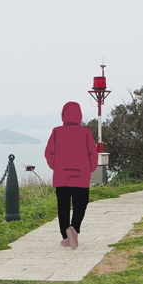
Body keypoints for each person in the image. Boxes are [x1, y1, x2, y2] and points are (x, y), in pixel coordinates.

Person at [44, 101, 99, 249]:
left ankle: (66, 236)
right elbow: (93, 153)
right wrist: (90, 168)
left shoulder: (56, 131)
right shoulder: (86, 132)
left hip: (61, 178)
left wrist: (56, 165)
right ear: (79, 115)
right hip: (81, 178)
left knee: (63, 208)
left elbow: (48, 152)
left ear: (63, 115)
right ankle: (73, 229)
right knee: (80, 206)